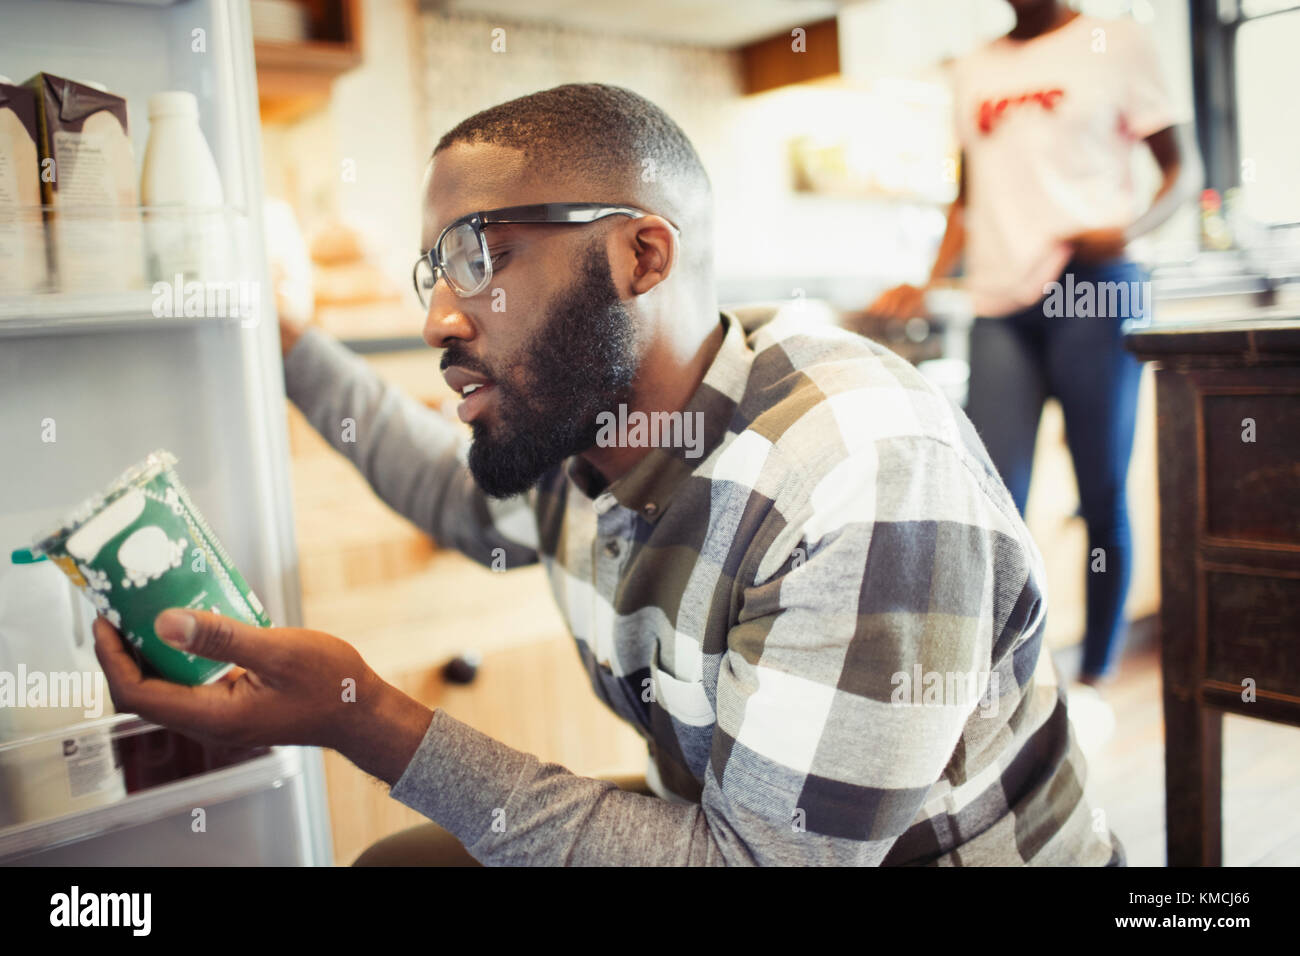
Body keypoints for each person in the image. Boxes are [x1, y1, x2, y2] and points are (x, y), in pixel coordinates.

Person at [94, 83, 1123, 866]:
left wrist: (359, 713)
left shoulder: (856, 470)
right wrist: (286, 341)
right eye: (436, 271)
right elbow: (452, 493)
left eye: (481, 256)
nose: (439, 318)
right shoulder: (584, 434)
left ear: (642, 255)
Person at [869, 1, 1199, 718]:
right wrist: (927, 277)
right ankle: (1005, 690)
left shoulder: (1119, 43)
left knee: (1100, 490)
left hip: (1094, 284)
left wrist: (1126, 230)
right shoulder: (976, 68)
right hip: (1000, 303)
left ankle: (1092, 685)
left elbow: (1183, 168)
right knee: (993, 504)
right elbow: (969, 196)